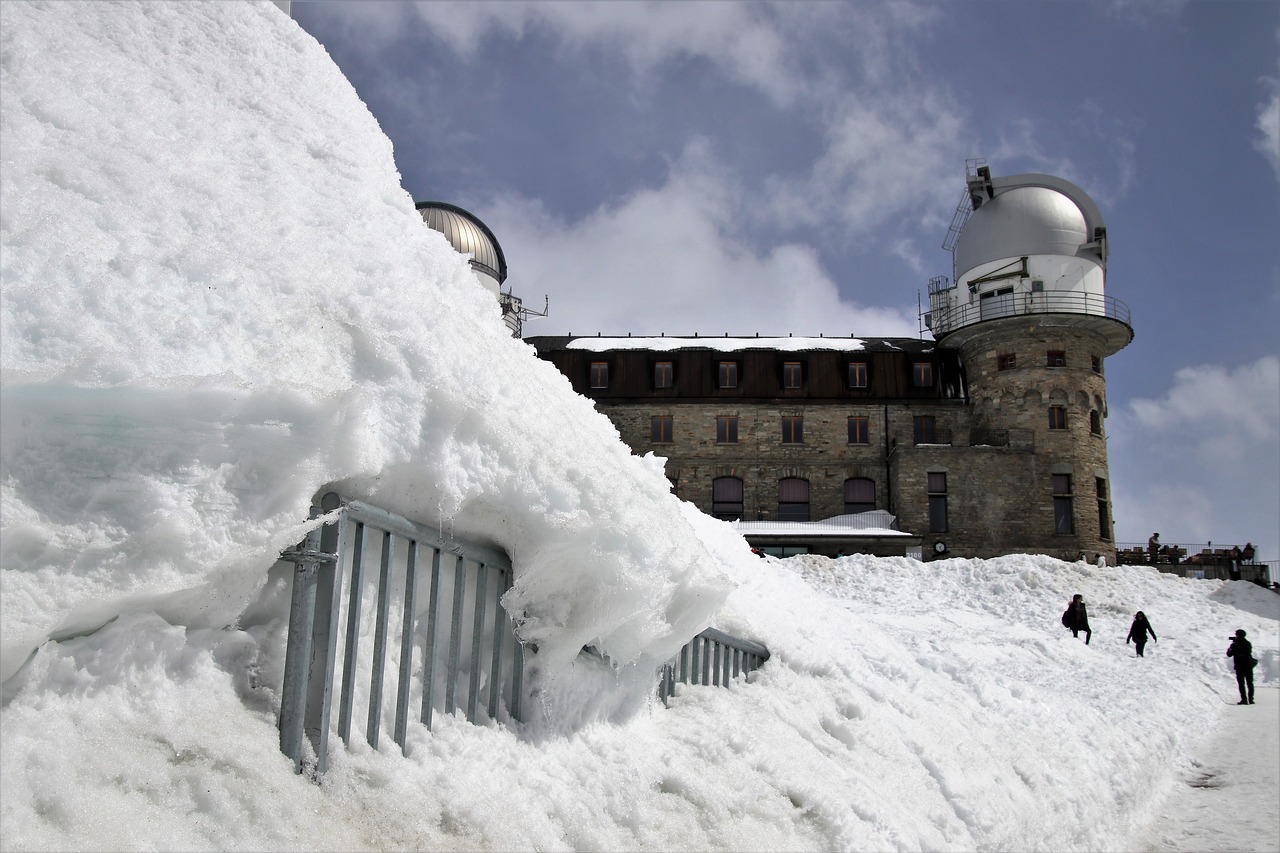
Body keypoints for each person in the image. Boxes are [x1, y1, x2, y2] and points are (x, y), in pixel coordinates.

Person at [1226, 629, 1256, 705]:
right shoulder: (1248, 643)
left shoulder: (1235, 644)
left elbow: (1229, 654)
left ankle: (1244, 699)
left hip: (1239, 666)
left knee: (1241, 683)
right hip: (1248, 666)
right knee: (1250, 683)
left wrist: (1230, 648)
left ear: (1238, 635)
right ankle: (1251, 699)